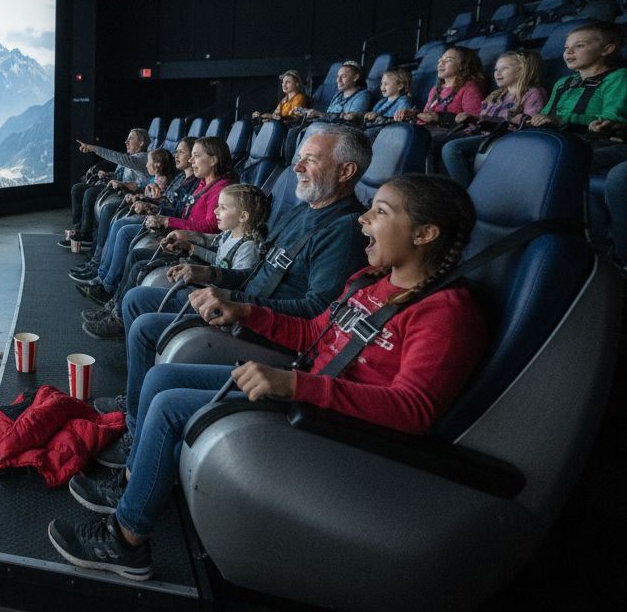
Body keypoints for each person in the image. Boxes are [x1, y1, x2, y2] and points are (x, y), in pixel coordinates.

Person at [48, 174, 486, 581]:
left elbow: (414, 411)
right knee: (161, 380)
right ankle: (132, 486)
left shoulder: (446, 313)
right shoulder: (369, 281)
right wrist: (247, 312)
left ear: (425, 234)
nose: (363, 218)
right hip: (305, 387)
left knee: (167, 405)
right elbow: (316, 333)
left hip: (330, 423)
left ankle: (128, 541)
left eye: (382, 212)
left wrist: (295, 385)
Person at [99, 127, 371, 427]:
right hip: (240, 302)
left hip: (262, 329)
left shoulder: (344, 231)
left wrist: (239, 303)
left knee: (146, 327)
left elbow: (318, 311)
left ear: (346, 171)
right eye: (299, 158)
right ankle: (136, 398)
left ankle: (134, 421)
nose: (297, 167)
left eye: (311, 160)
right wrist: (210, 272)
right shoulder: (303, 211)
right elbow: (258, 272)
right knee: (138, 300)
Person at [77, 138, 232, 309]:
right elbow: (182, 213)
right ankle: (107, 288)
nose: (191, 160)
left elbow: (211, 227)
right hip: (178, 233)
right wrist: (155, 209)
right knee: (127, 238)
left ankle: (109, 294)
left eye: (196, 156)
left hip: (191, 243)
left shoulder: (221, 189)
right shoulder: (203, 183)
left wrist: (166, 220)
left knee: (129, 240)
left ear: (213, 159)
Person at [523, 21, 627, 262]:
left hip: (607, 143)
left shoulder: (618, 77)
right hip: (566, 142)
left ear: (607, 49)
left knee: (565, 165)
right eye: (566, 47)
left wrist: (561, 119)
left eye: (579, 46)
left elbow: (613, 117)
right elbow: (547, 114)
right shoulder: (563, 83)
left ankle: (599, 249)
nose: (568, 52)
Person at [441, 50, 548, 186]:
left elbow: (531, 123)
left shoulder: (532, 93)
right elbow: (483, 118)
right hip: (482, 134)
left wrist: (516, 119)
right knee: (438, 141)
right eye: (496, 69)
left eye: (504, 68)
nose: (497, 73)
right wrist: (470, 118)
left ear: (522, 71)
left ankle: (463, 194)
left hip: (503, 138)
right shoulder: (495, 95)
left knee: (451, 148)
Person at [65, 128, 151, 248]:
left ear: (141, 142)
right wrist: (109, 175)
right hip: (117, 186)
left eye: (130, 139)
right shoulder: (131, 157)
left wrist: (92, 148)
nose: (126, 142)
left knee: (90, 193)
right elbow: (122, 175)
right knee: (77, 188)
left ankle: (86, 235)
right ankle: (77, 229)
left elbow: (117, 158)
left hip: (127, 192)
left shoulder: (143, 158)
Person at [395, 46, 484, 125]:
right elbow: (427, 114)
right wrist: (413, 114)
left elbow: (474, 120)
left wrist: (440, 118)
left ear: (463, 66)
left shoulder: (469, 88)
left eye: (448, 60)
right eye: (440, 60)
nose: (441, 63)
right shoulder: (435, 89)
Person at [305, 61, 370, 120]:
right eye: (338, 76)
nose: (338, 80)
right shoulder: (338, 95)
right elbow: (328, 114)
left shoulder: (363, 95)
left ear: (355, 77)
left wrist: (320, 114)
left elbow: (350, 121)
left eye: (343, 76)